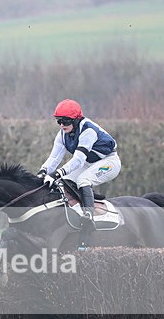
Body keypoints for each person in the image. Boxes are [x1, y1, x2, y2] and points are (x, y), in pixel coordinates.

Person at [37, 99, 120, 233]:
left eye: (66, 121)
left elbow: (78, 160)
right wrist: (43, 172)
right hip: (89, 163)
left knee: (83, 180)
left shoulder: (88, 131)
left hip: (109, 162)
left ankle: (89, 216)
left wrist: (57, 173)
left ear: (76, 120)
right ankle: (77, 212)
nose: (62, 125)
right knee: (62, 182)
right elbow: (54, 158)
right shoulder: (62, 135)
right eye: (59, 121)